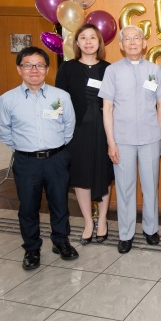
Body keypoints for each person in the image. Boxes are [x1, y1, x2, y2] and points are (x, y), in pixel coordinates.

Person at [0, 46, 78, 270]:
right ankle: (32, 249)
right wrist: (25, 149)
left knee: (59, 203)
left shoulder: (61, 96)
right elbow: (4, 131)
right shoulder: (7, 100)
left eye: (40, 65)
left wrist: (56, 146)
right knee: (28, 207)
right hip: (26, 161)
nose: (34, 70)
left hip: (56, 159)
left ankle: (61, 241)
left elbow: (69, 126)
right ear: (19, 69)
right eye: (28, 65)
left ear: (47, 69)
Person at [99, 25, 161, 254]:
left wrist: (158, 133)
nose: (133, 42)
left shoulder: (154, 70)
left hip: (150, 138)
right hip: (123, 140)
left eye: (137, 38)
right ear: (121, 45)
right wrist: (111, 142)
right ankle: (125, 234)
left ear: (144, 43)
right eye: (127, 39)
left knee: (150, 186)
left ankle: (151, 229)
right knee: (125, 189)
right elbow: (107, 109)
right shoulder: (113, 71)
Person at [55, 23, 114, 245]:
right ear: (77, 43)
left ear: (99, 42)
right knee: (80, 175)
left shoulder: (109, 69)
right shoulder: (67, 68)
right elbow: (59, 102)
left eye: (92, 37)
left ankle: (103, 220)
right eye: (83, 38)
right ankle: (88, 221)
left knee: (104, 172)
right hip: (77, 131)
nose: (88, 42)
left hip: (105, 129)